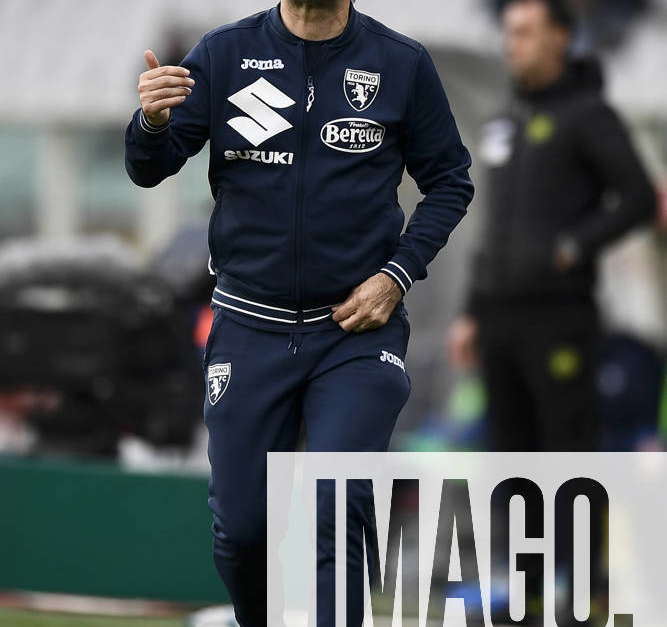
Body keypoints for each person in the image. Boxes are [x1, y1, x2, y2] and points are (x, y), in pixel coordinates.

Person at [124, 1, 474, 625]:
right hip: (249, 326)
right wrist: (150, 121)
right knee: (242, 530)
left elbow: (450, 179)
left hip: (356, 332)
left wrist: (397, 275)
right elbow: (149, 169)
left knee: (337, 510)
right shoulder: (225, 53)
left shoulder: (400, 62)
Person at [448, 0, 655, 454]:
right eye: (508, 33)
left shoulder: (587, 114)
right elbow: (494, 226)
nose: (511, 44)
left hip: (559, 315)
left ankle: (575, 529)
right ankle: (510, 529)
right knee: (505, 453)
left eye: (524, 33)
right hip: (498, 318)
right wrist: (470, 311)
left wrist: (573, 246)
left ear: (559, 37)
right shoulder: (505, 120)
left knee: (565, 455)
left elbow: (638, 198)